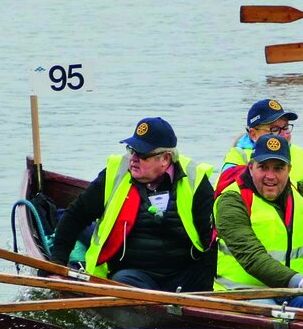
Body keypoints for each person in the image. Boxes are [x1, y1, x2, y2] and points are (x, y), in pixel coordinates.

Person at [47, 117, 217, 291]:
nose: (133, 159)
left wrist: (210, 292)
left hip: (184, 277)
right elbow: (75, 216)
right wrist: (56, 265)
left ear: (165, 159)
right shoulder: (116, 174)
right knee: (123, 280)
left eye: (142, 154)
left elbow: (213, 240)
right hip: (133, 278)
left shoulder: (195, 181)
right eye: (131, 150)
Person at [213, 133, 303, 308]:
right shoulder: (231, 200)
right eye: (263, 167)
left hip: (297, 292)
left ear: (289, 169)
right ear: (250, 167)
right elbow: (251, 256)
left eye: (278, 168)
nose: (270, 176)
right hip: (243, 294)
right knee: (277, 318)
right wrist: (301, 281)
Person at [222, 98, 303, 198]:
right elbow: (226, 196)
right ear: (253, 134)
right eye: (274, 129)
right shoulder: (238, 157)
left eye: (286, 127)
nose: (284, 135)